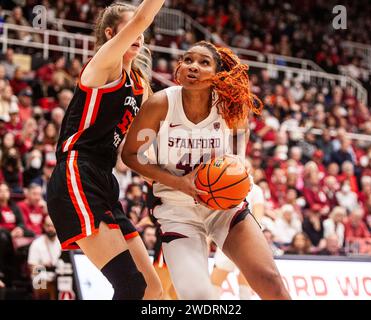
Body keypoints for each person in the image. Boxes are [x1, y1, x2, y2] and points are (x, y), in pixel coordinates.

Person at [123, 41, 290, 299]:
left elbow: (236, 159)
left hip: (224, 207)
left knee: (271, 281)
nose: (193, 67)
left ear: (217, 74)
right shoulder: (160, 104)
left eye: (203, 63)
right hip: (177, 210)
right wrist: (179, 183)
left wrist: (238, 171)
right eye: (188, 60)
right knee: (199, 298)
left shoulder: (230, 107)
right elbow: (131, 155)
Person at [47, 1, 165, 300]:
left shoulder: (139, 85)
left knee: (152, 291)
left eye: (140, 32)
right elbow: (142, 18)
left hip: (105, 179)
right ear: (112, 34)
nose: (139, 35)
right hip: (77, 172)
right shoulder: (104, 65)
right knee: (130, 286)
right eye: (131, 29)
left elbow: (141, 144)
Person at [27, 216, 61, 300]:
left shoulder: (62, 243)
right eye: (48, 226)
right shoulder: (36, 243)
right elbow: (32, 268)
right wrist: (43, 266)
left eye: (52, 226)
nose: (50, 228)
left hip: (58, 275)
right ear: (44, 226)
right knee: (48, 284)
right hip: (40, 278)